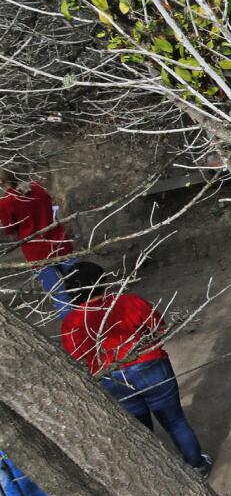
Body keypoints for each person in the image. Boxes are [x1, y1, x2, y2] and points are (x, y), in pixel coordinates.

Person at [60, 261, 210, 475]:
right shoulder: (130, 302)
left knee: (140, 432)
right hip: (151, 366)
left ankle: (161, 476)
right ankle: (197, 466)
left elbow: (78, 356)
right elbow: (158, 330)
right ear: (103, 282)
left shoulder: (71, 323)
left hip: (111, 377)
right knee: (175, 420)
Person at [0, 167, 76, 311]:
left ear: (1, 181)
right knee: (81, 282)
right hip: (59, 241)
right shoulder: (38, 187)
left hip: (36, 252)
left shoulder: (5, 202)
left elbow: (10, 229)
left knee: (59, 295)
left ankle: (74, 329)